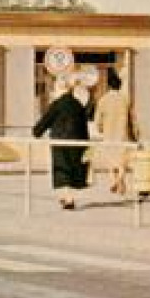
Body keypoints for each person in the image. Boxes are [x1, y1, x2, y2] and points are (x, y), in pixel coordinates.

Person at [33, 78, 91, 209]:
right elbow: (84, 126)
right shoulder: (78, 104)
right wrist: (86, 144)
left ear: (60, 89)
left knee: (63, 169)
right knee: (72, 169)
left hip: (60, 142)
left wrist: (36, 132)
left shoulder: (57, 104)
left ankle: (68, 199)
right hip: (77, 142)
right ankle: (67, 197)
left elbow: (45, 121)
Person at [92, 69, 136, 195]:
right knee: (122, 163)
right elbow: (132, 118)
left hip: (109, 135)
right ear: (119, 85)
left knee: (111, 162)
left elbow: (98, 120)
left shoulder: (103, 100)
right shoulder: (125, 100)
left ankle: (114, 182)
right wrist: (135, 134)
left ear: (109, 86)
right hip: (123, 135)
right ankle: (120, 182)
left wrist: (100, 129)